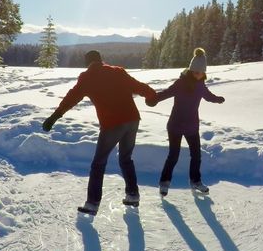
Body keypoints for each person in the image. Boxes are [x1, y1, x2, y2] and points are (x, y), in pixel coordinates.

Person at [43, 50, 157, 215]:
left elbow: (71, 98)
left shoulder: (87, 77)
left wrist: (54, 116)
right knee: (125, 158)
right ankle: (132, 195)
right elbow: (138, 86)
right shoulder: (118, 71)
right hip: (132, 120)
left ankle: (92, 203)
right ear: (100, 60)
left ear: (87, 63)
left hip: (112, 124)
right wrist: (151, 96)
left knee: (99, 163)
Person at [147, 47, 225, 196]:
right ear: (190, 70)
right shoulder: (181, 83)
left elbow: (208, 96)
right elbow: (167, 93)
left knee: (196, 155)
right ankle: (164, 182)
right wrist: (154, 100)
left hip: (192, 126)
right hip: (175, 125)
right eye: (196, 72)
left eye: (201, 72)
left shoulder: (201, 85)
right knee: (173, 155)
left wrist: (217, 99)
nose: (198, 74)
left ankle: (195, 181)